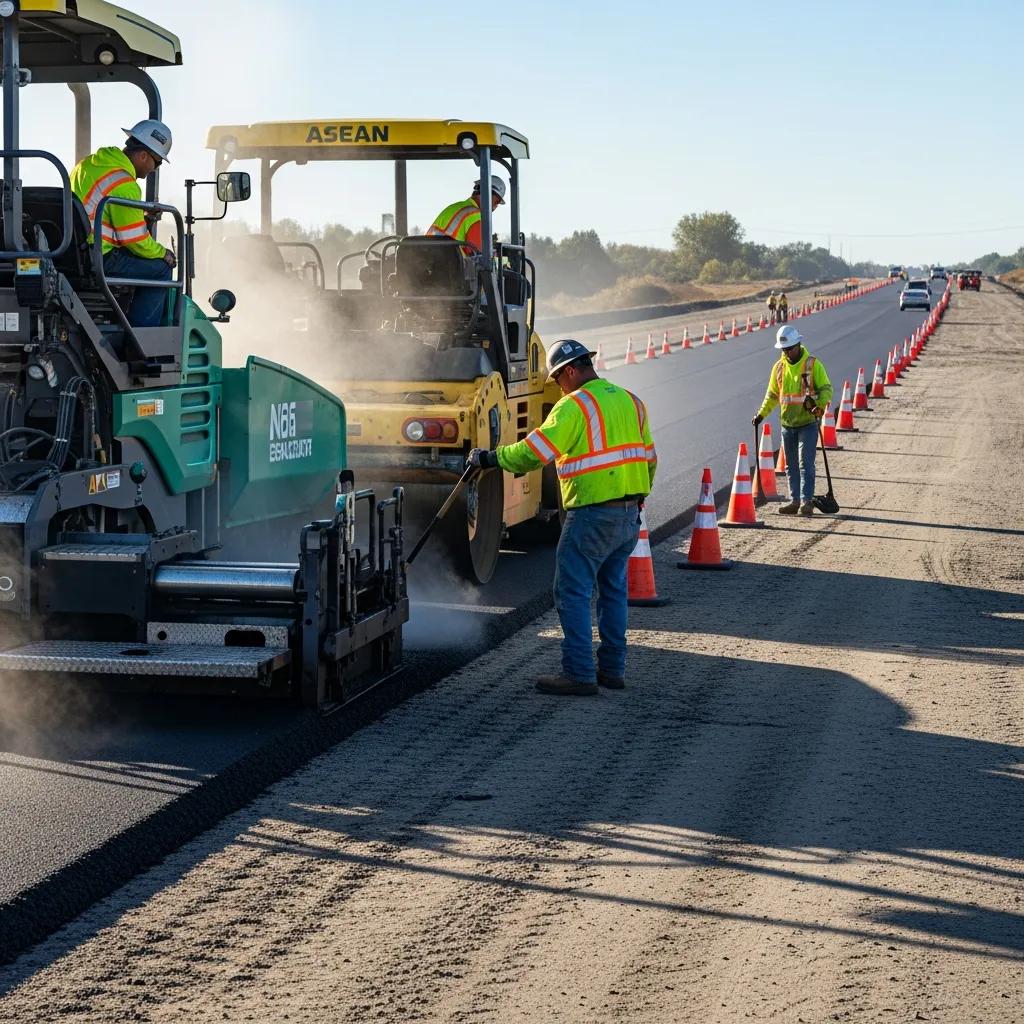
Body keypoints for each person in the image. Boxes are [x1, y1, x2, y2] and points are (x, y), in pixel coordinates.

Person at [468, 339, 657, 696]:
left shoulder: (574, 406)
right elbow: (649, 458)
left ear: (570, 371)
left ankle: (580, 674)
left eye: (557, 378)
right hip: (630, 514)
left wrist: (490, 459)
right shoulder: (632, 400)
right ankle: (612, 670)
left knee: (571, 591)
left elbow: (534, 452)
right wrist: (639, 498)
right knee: (613, 592)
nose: (558, 385)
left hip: (591, 515)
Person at [70, 119, 175, 328]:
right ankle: (141, 339)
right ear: (143, 155)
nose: (155, 168)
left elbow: (96, 210)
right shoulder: (126, 184)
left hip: (71, 251)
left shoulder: (88, 165)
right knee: (161, 269)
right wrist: (164, 254)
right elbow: (135, 242)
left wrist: (140, 214)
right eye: (158, 162)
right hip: (99, 257)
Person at [752, 325, 833, 516]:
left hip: (808, 423)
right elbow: (772, 395)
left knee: (806, 463)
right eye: (783, 349)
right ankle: (794, 500)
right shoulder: (779, 368)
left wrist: (819, 406)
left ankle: (806, 502)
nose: (786, 352)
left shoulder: (812, 364)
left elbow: (826, 389)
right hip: (787, 425)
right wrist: (761, 414)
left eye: (789, 348)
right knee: (791, 465)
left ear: (798, 344)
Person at [426, 177, 506, 252]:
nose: (496, 206)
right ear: (486, 194)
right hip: (452, 265)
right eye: (497, 202)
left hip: (426, 261)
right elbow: (479, 255)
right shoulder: (476, 216)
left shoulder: (454, 208)